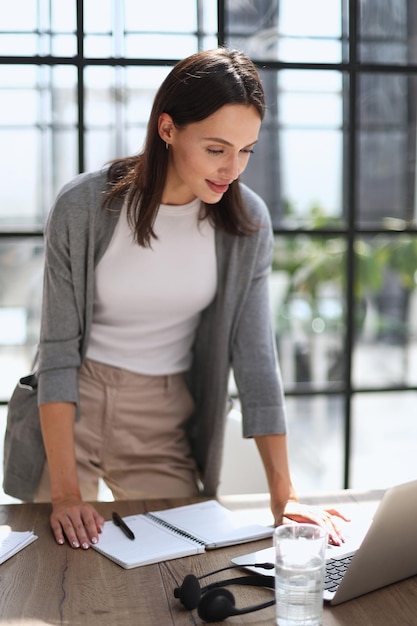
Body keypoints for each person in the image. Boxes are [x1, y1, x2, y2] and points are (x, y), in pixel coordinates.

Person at [33, 47, 347, 550]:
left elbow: (256, 358)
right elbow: (57, 350)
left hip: (163, 417)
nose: (232, 169)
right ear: (167, 129)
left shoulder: (248, 224)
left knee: (180, 564)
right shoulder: (83, 207)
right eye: (217, 148)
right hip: (73, 407)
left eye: (246, 150)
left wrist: (283, 495)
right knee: (57, 561)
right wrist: (66, 493)